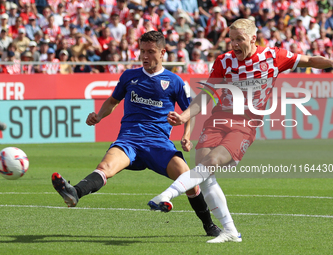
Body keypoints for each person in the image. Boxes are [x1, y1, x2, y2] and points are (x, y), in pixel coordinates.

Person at [149, 18, 333, 243]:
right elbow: (207, 95)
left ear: (252, 38)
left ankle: (168, 194)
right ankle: (230, 231)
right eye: (232, 40)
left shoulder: (273, 56)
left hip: (245, 124)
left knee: (210, 163)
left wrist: (330, 61)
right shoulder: (224, 61)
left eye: (240, 39)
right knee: (205, 175)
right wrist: (183, 116)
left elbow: (307, 59)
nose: (234, 44)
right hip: (218, 121)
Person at [51, 31, 221, 237]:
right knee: (105, 167)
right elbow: (112, 102)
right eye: (142, 51)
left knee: (189, 180)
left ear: (163, 52)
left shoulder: (175, 81)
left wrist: (186, 135)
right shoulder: (129, 76)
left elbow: (188, 113)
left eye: (150, 51)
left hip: (159, 144)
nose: (145, 56)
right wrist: (99, 116)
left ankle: (209, 226)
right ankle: (74, 193)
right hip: (129, 140)